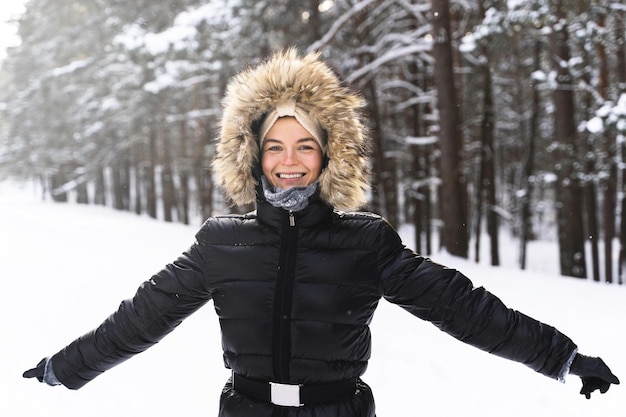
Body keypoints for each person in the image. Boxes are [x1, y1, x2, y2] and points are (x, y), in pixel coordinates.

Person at [24, 48, 619, 417]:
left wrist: (563, 357)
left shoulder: (366, 242)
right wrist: (65, 367)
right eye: (275, 146)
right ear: (252, 156)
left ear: (329, 154)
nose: (289, 161)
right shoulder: (221, 243)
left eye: (305, 145)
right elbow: (139, 319)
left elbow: (464, 308)